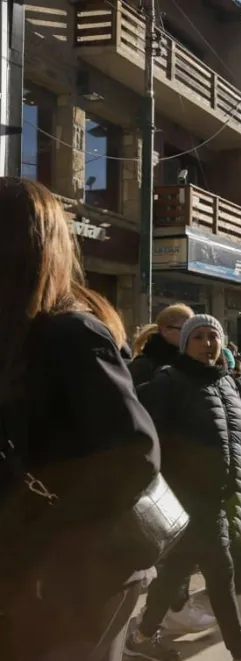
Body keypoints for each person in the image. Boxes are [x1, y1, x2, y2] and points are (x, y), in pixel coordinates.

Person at [0, 178, 162, 661]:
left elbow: (136, 456)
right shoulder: (16, 336)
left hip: (83, 574)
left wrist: (52, 531)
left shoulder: (70, 333)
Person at [130, 314, 241, 661]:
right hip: (189, 499)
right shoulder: (169, 382)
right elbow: (145, 433)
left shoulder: (229, 385)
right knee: (222, 573)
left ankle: (141, 637)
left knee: (174, 574)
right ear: (186, 343)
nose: (208, 343)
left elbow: (239, 444)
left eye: (213, 337)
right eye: (199, 337)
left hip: (219, 498)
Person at [129, 304, 195, 387]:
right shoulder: (143, 366)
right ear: (165, 331)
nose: (191, 334)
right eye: (185, 329)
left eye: (193, 330)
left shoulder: (192, 361)